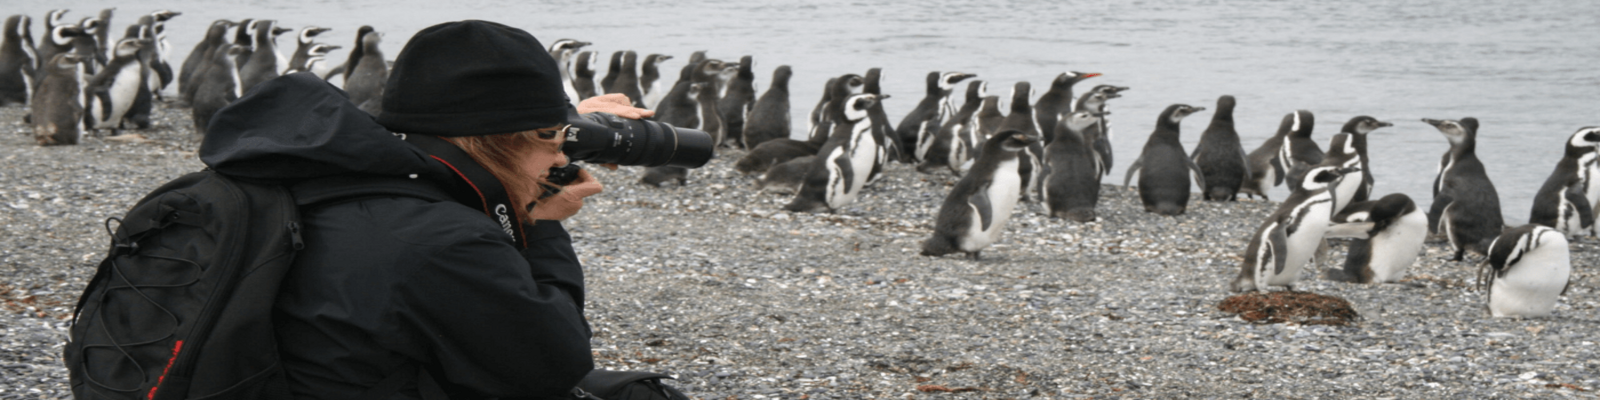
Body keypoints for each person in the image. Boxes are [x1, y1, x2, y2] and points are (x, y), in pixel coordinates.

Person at [198, 20, 652, 399]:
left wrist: (546, 127)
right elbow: (555, 365)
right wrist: (540, 224)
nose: (561, 157)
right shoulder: (444, 243)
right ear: (499, 140)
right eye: (554, 138)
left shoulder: (317, 172)